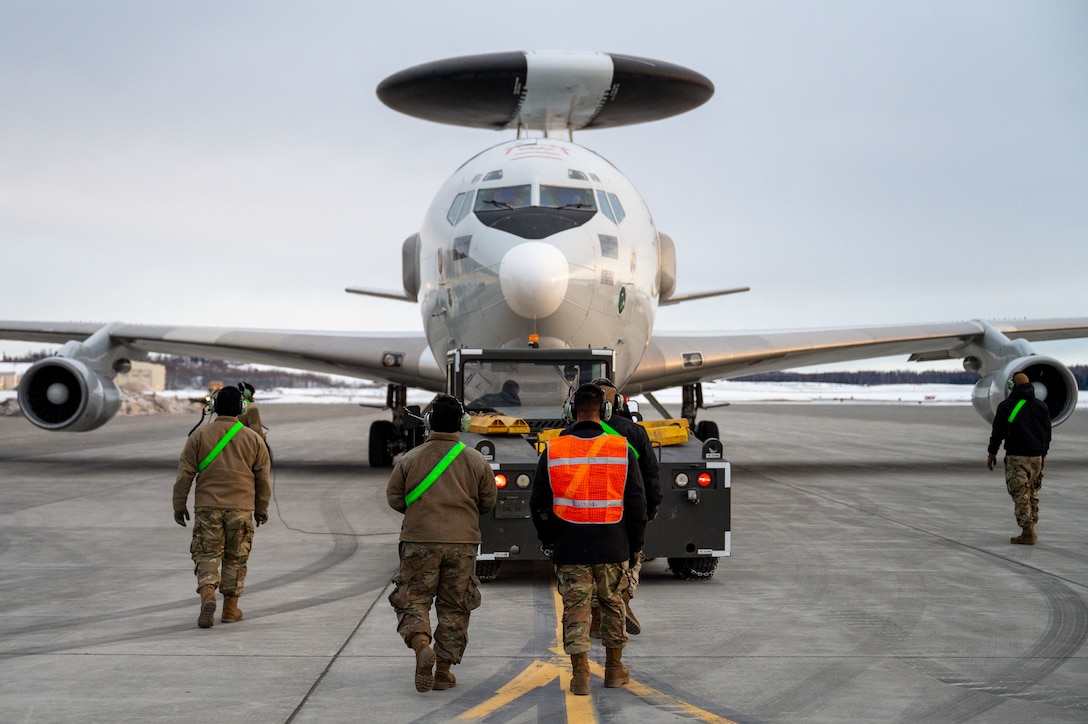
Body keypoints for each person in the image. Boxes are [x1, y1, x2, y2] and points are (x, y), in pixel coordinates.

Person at [530, 383, 647, 695]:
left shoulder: (554, 449)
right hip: (612, 544)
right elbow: (637, 505)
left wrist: (551, 537)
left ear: (571, 412)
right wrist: (635, 546)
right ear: (605, 412)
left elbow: (539, 503)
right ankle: (613, 669)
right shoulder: (621, 449)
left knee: (576, 609)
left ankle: (580, 674)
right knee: (613, 606)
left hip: (570, 546)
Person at [386, 394, 497, 693]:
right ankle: (443, 672)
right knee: (456, 607)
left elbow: (395, 498)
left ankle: (422, 645)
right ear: (463, 423)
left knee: (413, 599)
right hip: (462, 543)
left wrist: (421, 512)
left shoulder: (410, 458)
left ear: (429, 423)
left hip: (418, 540)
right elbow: (488, 501)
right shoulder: (476, 460)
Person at [173, 384, 271, 628]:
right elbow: (262, 478)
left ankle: (208, 596)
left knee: (207, 555)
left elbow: (184, 474)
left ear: (214, 407)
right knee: (236, 559)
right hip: (241, 509)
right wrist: (261, 508)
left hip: (207, 508)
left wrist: (179, 505)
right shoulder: (253, 439)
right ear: (241, 407)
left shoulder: (199, 436)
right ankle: (230, 609)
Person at [589, 377, 662, 637]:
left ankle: (596, 617)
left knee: (592, 566)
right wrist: (652, 505)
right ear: (617, 403)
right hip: (624, 511)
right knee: (628, 563)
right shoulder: (634, 432)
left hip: (587, 511)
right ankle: (622, 604)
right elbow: (650, 474)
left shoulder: (572, 433)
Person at [987, 372, 1052, 544]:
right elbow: (1047, 433)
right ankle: (1031, 527)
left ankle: (1027, 531)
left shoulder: (1007, 406)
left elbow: (998, 432)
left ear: (1012, 386)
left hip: (1017, 457)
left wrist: (992, 452)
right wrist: (1043, 454)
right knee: (1032, 492)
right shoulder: (1041, 406)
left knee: (1020, 493)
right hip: (1036, 457)